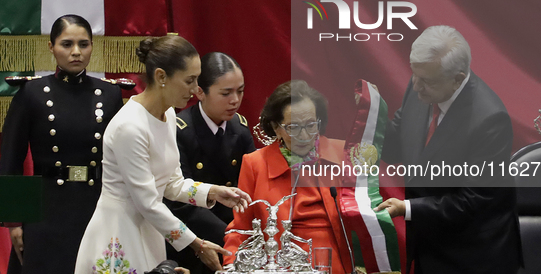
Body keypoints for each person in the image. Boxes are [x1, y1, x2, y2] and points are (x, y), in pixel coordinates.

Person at [74, 35, 251, 274]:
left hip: (152, 231)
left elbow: (171, 183)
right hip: (120, 235)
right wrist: (196, 244)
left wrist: (212, 192)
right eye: (189, 80)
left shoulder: (167, 115)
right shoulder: (130, 126)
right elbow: (147, 202)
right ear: (161, 77)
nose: (195, 88)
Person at [375, 26, 522, 274]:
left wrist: (407, 208)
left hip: (473, 256)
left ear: (457, 79)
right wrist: (371, 120)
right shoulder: (421, 86)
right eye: (415, 75)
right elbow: (402, 141)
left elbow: (473, 200)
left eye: (427, 81)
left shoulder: (489, 119)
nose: (416, 86)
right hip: (430, 245)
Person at [0, 14, 127, 274]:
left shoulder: (110, 94)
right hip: (47, 209)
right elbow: (10, 159)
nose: (76, 52)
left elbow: (120, 160)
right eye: (67, 44)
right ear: (51, 47)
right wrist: (14, 222)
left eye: (84, 44)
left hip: (97, 205)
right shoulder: (31, 94)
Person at [223, 80, 353, 274]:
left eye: (311, 125)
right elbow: (241, 228)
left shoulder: (342, 154)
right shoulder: (255, 164)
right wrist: (231, 266)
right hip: (280, 266)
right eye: (294, 127)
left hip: (335, 263)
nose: (304, 136)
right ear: (276, 127)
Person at [166, 52, 255, 274]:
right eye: (226, 93)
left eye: (240, 91)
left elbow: (251, 185)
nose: (235, 100)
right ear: (199, 92)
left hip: (234, 237)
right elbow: (179, 201)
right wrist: (227, 235)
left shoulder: (240, 129)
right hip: (193, 240)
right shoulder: (180, 131)